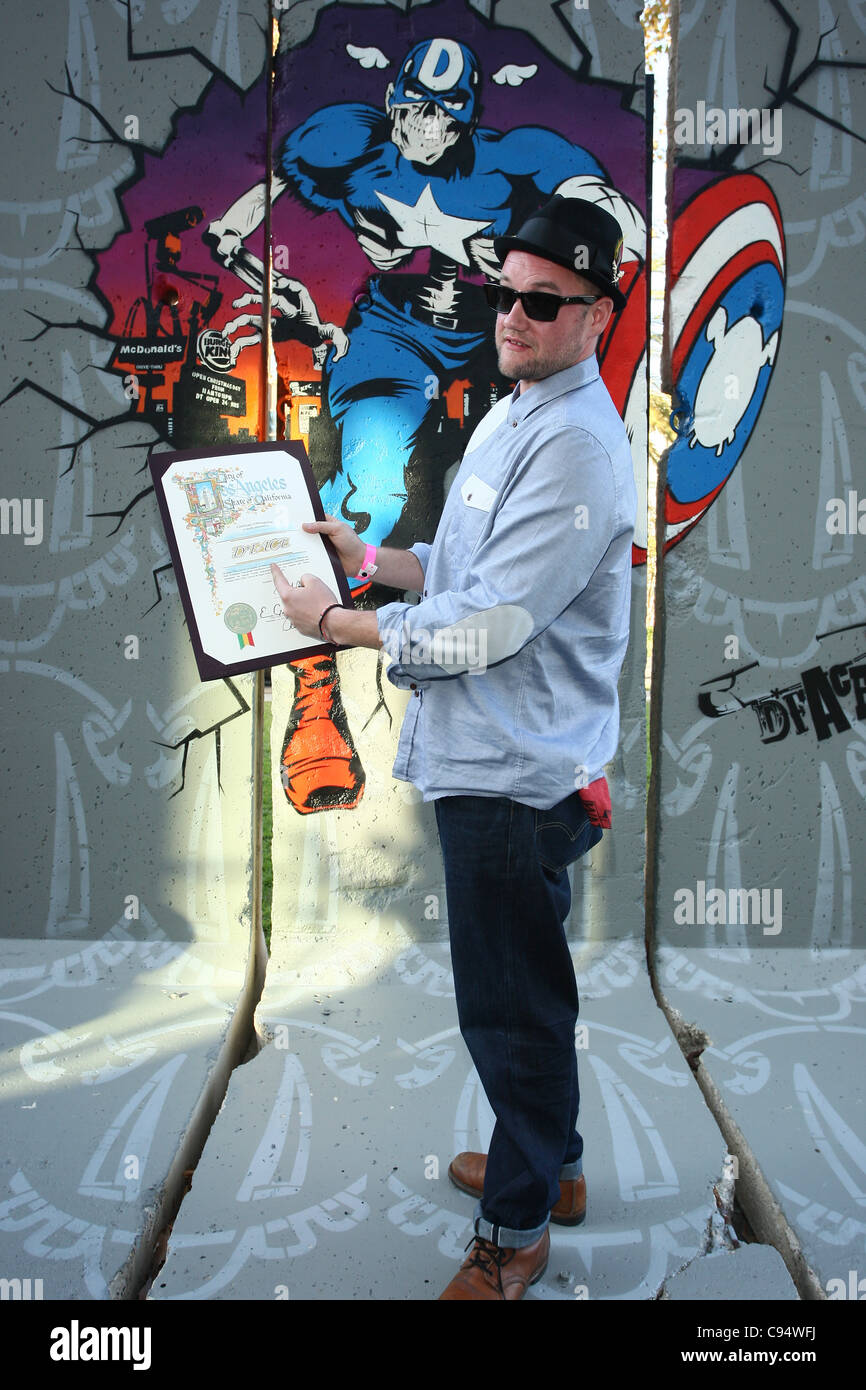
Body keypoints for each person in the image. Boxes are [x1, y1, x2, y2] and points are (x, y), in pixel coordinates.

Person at [271, 195, 637, 1300]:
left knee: (510, 1012)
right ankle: (553, 1167)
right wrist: (368, 557)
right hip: (496, 760)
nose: (513, 317)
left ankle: (515, 1233)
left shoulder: (576, 443)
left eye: (542, 302)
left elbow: (488, 629)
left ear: (596, 316)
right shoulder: (515, 406)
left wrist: (332, 626)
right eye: (503, 294)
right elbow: (463, 573)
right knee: (526, 993)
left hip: (512, 776)